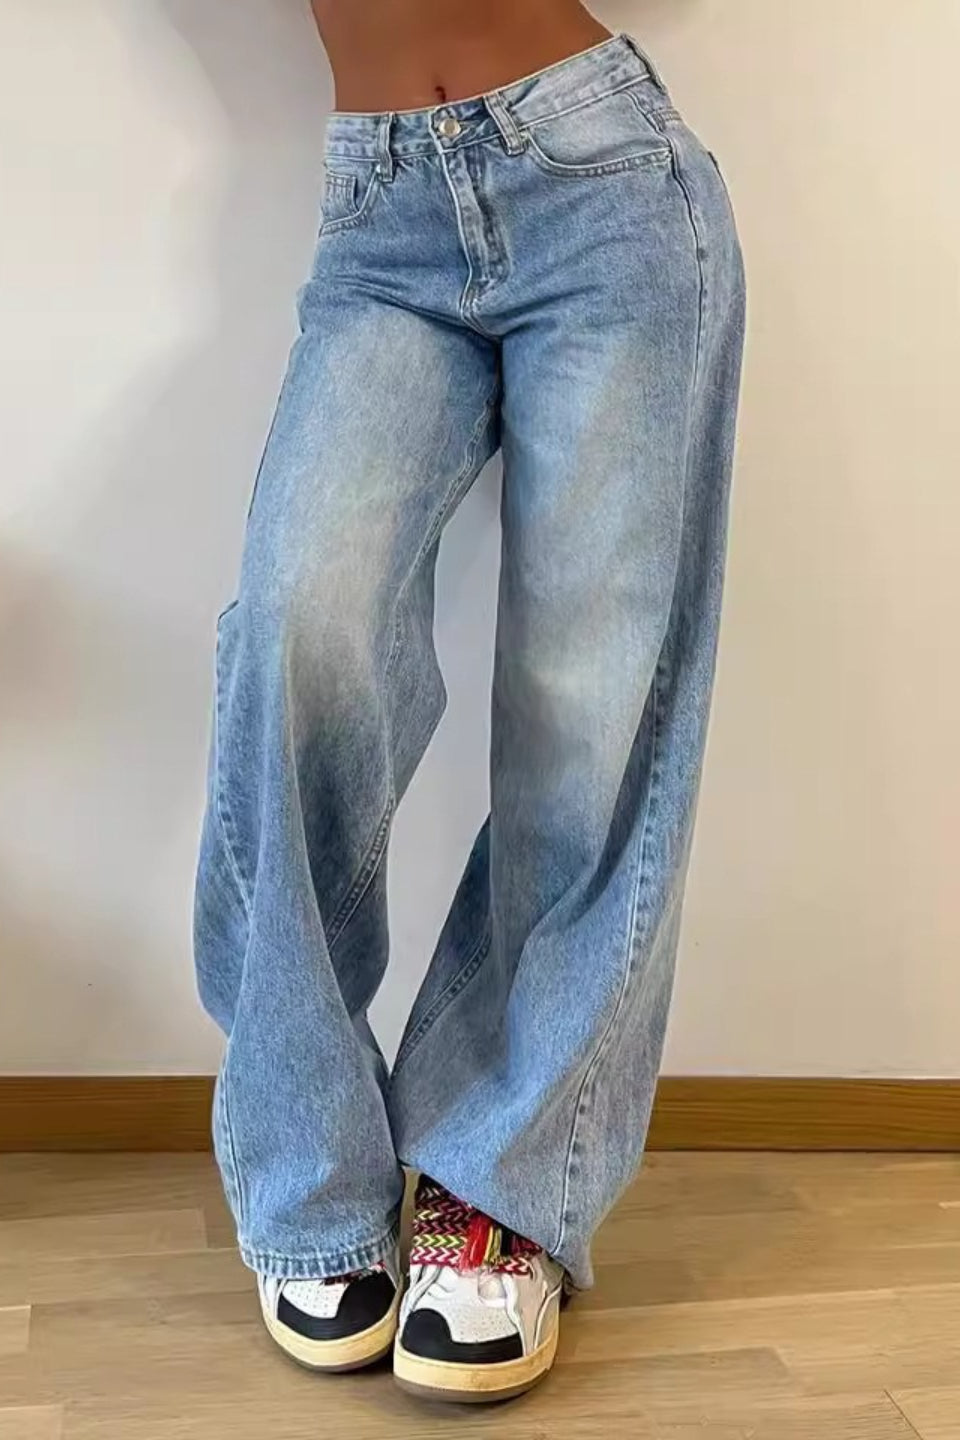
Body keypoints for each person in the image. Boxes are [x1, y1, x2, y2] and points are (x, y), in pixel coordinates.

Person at [194, 0, 745, 1403]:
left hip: (603, 182)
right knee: (297, 634)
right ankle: (313, 1166)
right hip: (379, 218)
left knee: (587, 713)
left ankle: (501, 1182)